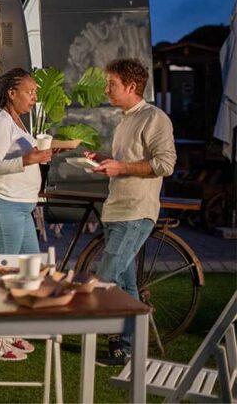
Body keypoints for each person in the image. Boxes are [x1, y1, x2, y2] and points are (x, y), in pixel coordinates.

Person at [86, 58, 176, 366]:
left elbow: (165, 164)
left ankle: (63, 325)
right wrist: (104, 160)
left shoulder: (155, 118)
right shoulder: (125, 119)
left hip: (136, 212)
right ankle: (125, 348)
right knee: (125, 286)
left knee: (104, 278)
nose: (106, 89)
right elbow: (127, 162)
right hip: (115, 210)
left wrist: (121, 166)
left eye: (111, 84)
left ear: (131, 86)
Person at [0, 67, 52, 361]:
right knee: (6, 273)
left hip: (20, 205)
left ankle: (10, 332)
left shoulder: (16, 121)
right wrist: (29, 158)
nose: (34, 97)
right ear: (11, 93)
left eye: (35, 92)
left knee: (28, 270)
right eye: (30, 91)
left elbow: (15, 157)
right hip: (0, 201)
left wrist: (38, 155)